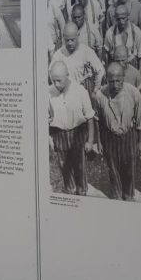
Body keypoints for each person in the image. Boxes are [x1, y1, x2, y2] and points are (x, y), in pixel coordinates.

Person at [93, 62, 141, 201]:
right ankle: (116, 193)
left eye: (118, 81)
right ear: (106, 80)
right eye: (111, 81)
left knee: (129, 167)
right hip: (109, 137)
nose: (115, 85)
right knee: (112, 167)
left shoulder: (134, 93)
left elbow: (139, 121)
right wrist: (99, 142)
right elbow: (97, 120)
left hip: (128, 136)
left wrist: (140, 142)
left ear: (124, 78)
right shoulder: (100, 96)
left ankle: (128, 194)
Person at [48, 61, 96, 195]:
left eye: (59, 80)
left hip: (78, 135)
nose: (56, 84)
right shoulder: (48, 93)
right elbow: (46, 117)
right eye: (53, 80)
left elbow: (89, 117)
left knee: (80, 168)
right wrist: (51, 139)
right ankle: (70, 192)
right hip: (60, 136)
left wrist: (90, 141)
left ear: (67, 76)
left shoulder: (80, 91)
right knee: (65, 169)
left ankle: (82, 193)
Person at [52, 23, 105, 92]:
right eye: (67, 40)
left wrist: (95, 89)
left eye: (72, 40)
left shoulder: (87, 51)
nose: (70, 43)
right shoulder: (58, 55)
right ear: (63, 37)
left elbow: (100, 70)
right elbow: (51, 73)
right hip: (66, 93)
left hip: (83, 92)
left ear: (78, 36)